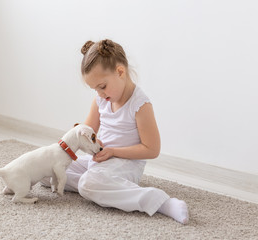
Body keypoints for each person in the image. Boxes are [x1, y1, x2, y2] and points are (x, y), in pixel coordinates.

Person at [44, 39, 189, 224]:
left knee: (88, 184)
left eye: (102, 87)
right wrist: (68, 144)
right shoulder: (101, 100)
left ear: (120, 72)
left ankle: (162, 202)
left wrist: (113, 151)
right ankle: (105, 186)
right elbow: (85, 133)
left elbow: (151, 149)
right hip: (99, 159)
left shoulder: (140, 105)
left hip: (126, 164)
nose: (99, 94)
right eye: (95, 89)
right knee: (49, 169)